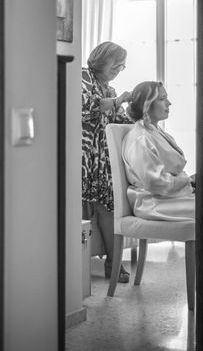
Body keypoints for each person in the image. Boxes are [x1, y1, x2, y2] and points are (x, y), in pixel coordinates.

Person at [81, 41, 133, 282]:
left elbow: (118, 120)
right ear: (103, 58)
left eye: (122, 65)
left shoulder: (110, 90)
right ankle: (75, 266)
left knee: (109, 207)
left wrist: (138, 116)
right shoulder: (83, 76)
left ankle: (114, 263)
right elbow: (86, 107)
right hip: (82, 157)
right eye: (117, 62)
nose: (120, 68)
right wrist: (118, 101)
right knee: (80, 209)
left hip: (103, 160)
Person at [122, 81, 196, 222]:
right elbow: (155, 183)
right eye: (162, 99)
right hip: (153, 203)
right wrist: (189, 181)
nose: (169, 103)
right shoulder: (141, 139)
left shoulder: (154, 131)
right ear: (147, 105)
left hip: (168, 197)